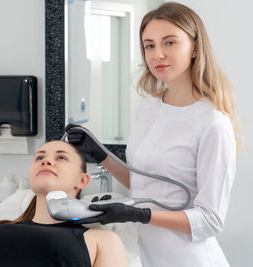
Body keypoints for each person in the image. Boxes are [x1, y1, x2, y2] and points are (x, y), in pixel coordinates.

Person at [65, 2, 243, 267]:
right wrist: (101, 155)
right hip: (151, 257)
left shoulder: (213, 123)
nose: (157, 54)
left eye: (169, 43)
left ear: (194, 47)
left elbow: (210, 220)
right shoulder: (149, 110)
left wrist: (139, 215)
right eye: (149, 45)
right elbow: (146, 184)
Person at [0, 141, 129, 267]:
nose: (46, 161)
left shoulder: (101, 240)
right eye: (39, 158)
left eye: (61, 157)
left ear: (82, 180)